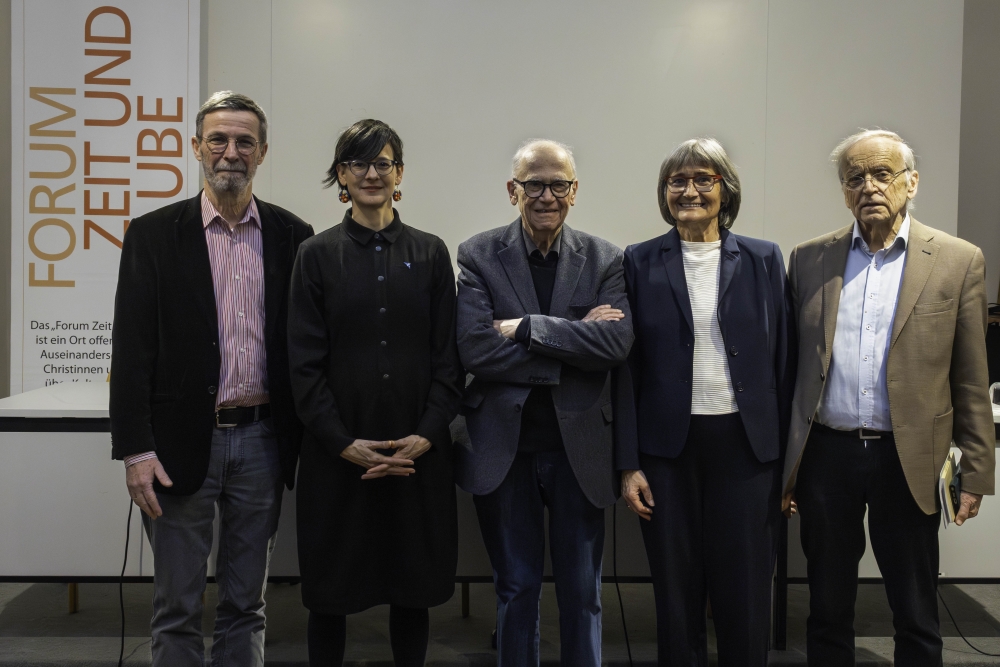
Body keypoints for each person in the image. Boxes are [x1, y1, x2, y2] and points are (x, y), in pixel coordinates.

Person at [110, 91, 313, 666]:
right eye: (218, 140)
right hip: (177, 445)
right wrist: (134, 451)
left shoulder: (294, 236)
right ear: (196, 147)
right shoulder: (152, 235)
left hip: (263, 442)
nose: (231, 152)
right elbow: (131, 351)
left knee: (246, 604)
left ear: (263, 153)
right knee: (175, 606)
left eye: (244, 141)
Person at [782, 129, 996, 666]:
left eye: (883, 173)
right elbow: (791, 371)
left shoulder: (957, 260)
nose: (869, 186)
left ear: (912, 182)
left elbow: (971, 376)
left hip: (910, 458)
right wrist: (786, 468)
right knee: (827, 605)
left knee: (915, 606)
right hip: (827, 456)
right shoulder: (810, 259)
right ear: (843, 191)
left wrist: (976, 472)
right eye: (855, 177)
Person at [287, 119, 464, 667]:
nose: (371, 173)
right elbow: (303, 365)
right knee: (329, 595)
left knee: (413, 591)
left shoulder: (432, 254)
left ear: (400, 174)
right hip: (337, 458)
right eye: (358, 164)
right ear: (341, 175)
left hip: (418, 457)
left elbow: (448, 362)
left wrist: (426, 436)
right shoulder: (315, 255)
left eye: (382, 163)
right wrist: (344, 442)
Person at [454, 139, 633, 667]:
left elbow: (615, 345)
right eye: (534, 184)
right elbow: (475, 348)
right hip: (503, 452)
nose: (546, 195)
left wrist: (527, 329)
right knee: (516, 590)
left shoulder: (606, 259)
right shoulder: (479, 254)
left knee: (584, 595)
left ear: (574, 191)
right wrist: (573, 342)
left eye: (558, 184)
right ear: (514, 191)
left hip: (580, 451)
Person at [618, 138, 795, 666]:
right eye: (678, 181)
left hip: (745, 448)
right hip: (667, 452)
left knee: (744, 591)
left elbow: (783, 363)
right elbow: (628, 371)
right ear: (664, 192)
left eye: (704, 179)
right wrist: (628, 464)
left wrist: (790, 465)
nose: (690, 190)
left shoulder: (764, 258)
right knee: (676, 592)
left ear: (726, 189)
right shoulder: (639, 260)